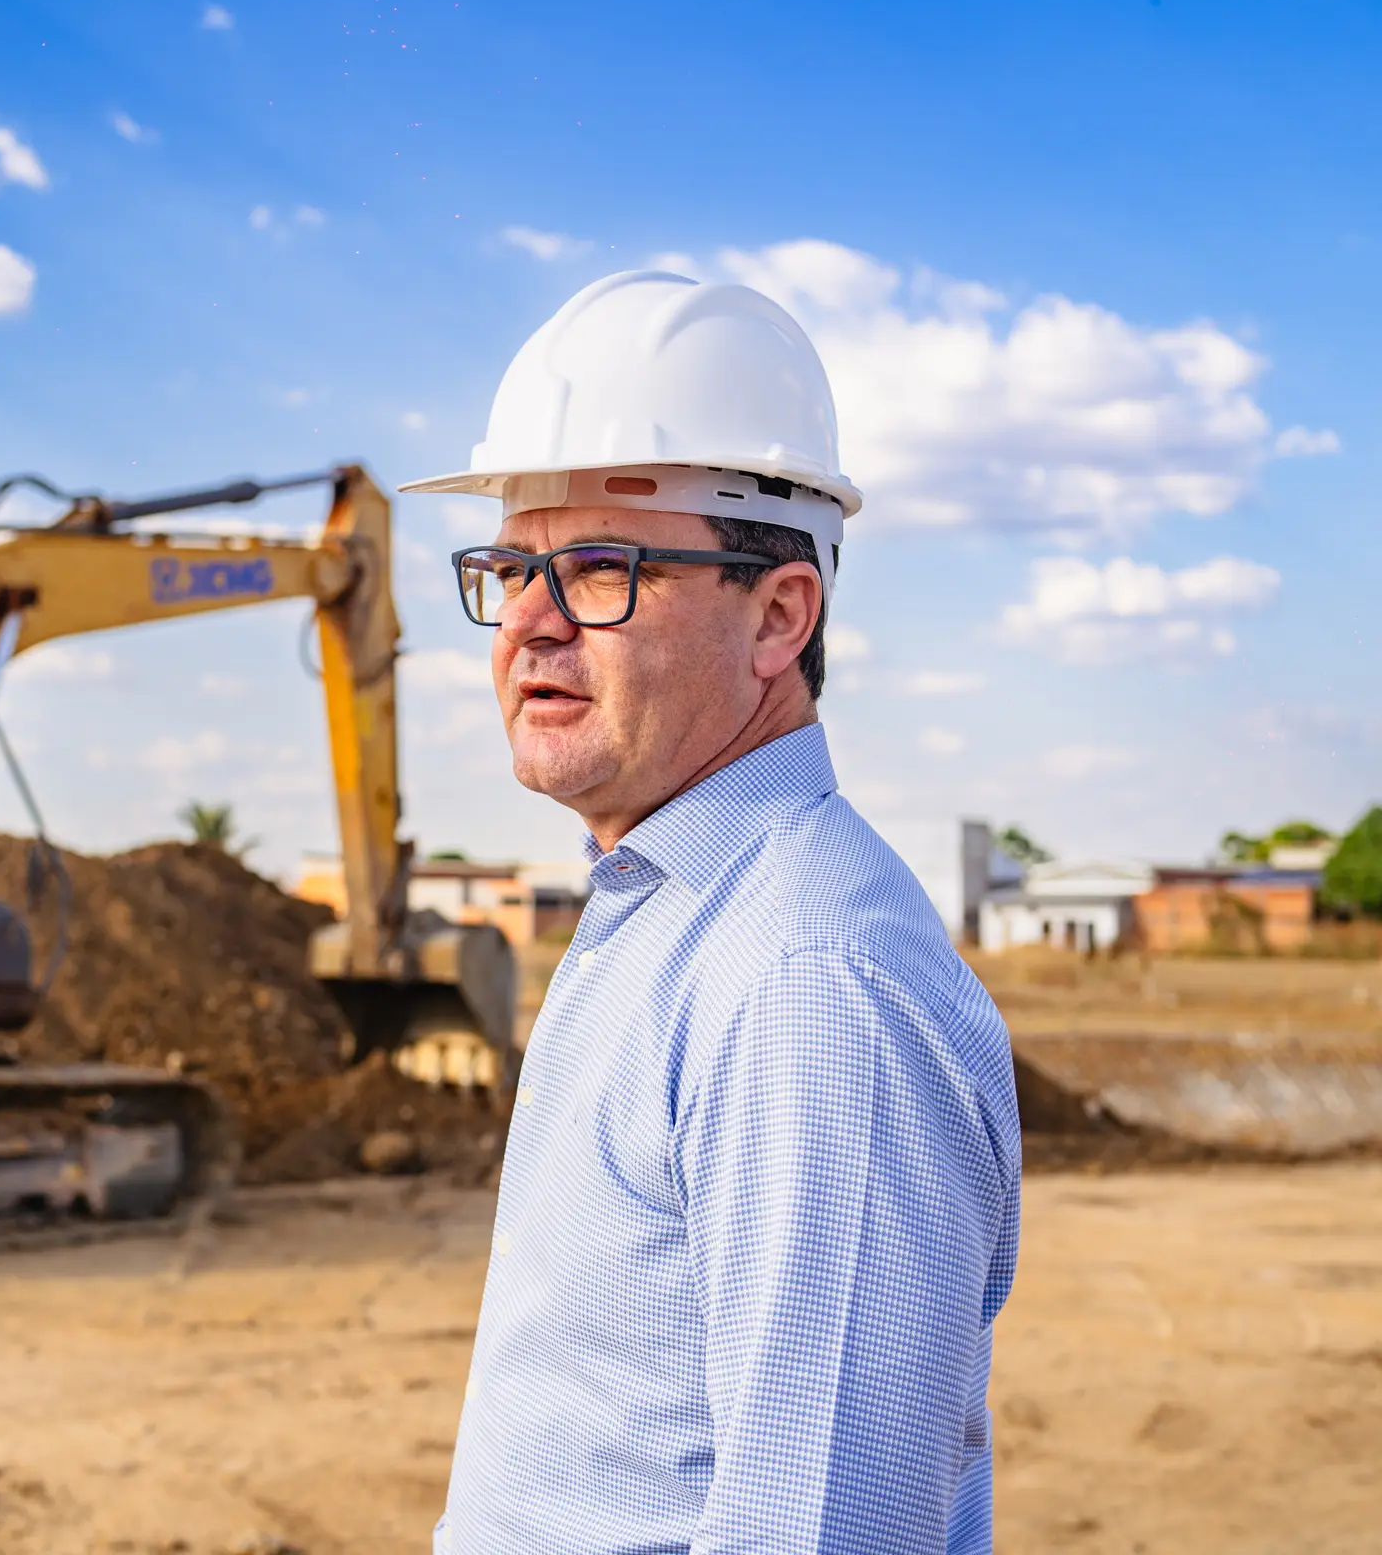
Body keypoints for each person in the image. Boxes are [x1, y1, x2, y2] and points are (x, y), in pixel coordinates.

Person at [401, 270, 1022, 1553]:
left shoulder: (810, 983)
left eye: (600, 569)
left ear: (779, 615)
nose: (526, 622)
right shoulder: (669, 911)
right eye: (511, 566)